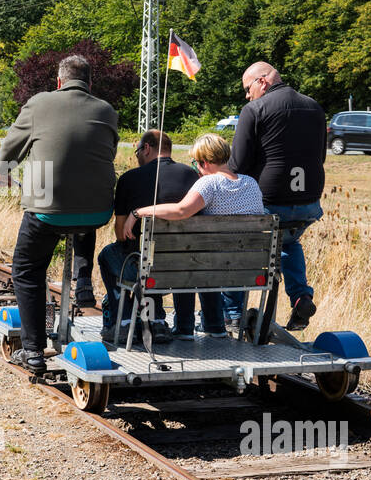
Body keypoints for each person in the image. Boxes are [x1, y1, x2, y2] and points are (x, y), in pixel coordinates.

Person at [0, 54, 118, 374]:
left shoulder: (38, 104)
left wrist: (2, 173)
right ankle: (83, 280)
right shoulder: (106, 110)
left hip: (48, 212)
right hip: (98, 211)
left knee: (26, 269)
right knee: (82, 214)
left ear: (59, 83)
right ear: (89, 84)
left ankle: (34, 350)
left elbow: (10, 148)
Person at [125, 134, 264, 337]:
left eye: (196, 164)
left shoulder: (209, 183)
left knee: (187, 258)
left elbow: (181, 211)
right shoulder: (251, 183)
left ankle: (184, 328)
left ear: (204, 162)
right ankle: (215, 327)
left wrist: (139, 212)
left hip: (211, 265)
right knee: (206, 258)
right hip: (245, 266)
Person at [230, 61, 326, 331]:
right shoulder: (315, 107)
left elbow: (237, 164)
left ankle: (233, 313)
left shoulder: (254, 110)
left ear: (263, 81)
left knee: (239, 247)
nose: (247, 95)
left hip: (268, 202)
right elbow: (320, 157)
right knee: (289, 242)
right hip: (309, 202)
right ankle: (301, 296)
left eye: (248, 88)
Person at [97, 129, 197, 344]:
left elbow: (121, 233)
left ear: (147, 148)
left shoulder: (129, 179)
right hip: (185, 264)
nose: (137, 156)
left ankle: (123, 321)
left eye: (137, 151)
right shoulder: (191, 175)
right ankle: (161, 322)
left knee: (109, 255)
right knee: (159, 257)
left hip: (143, 265)